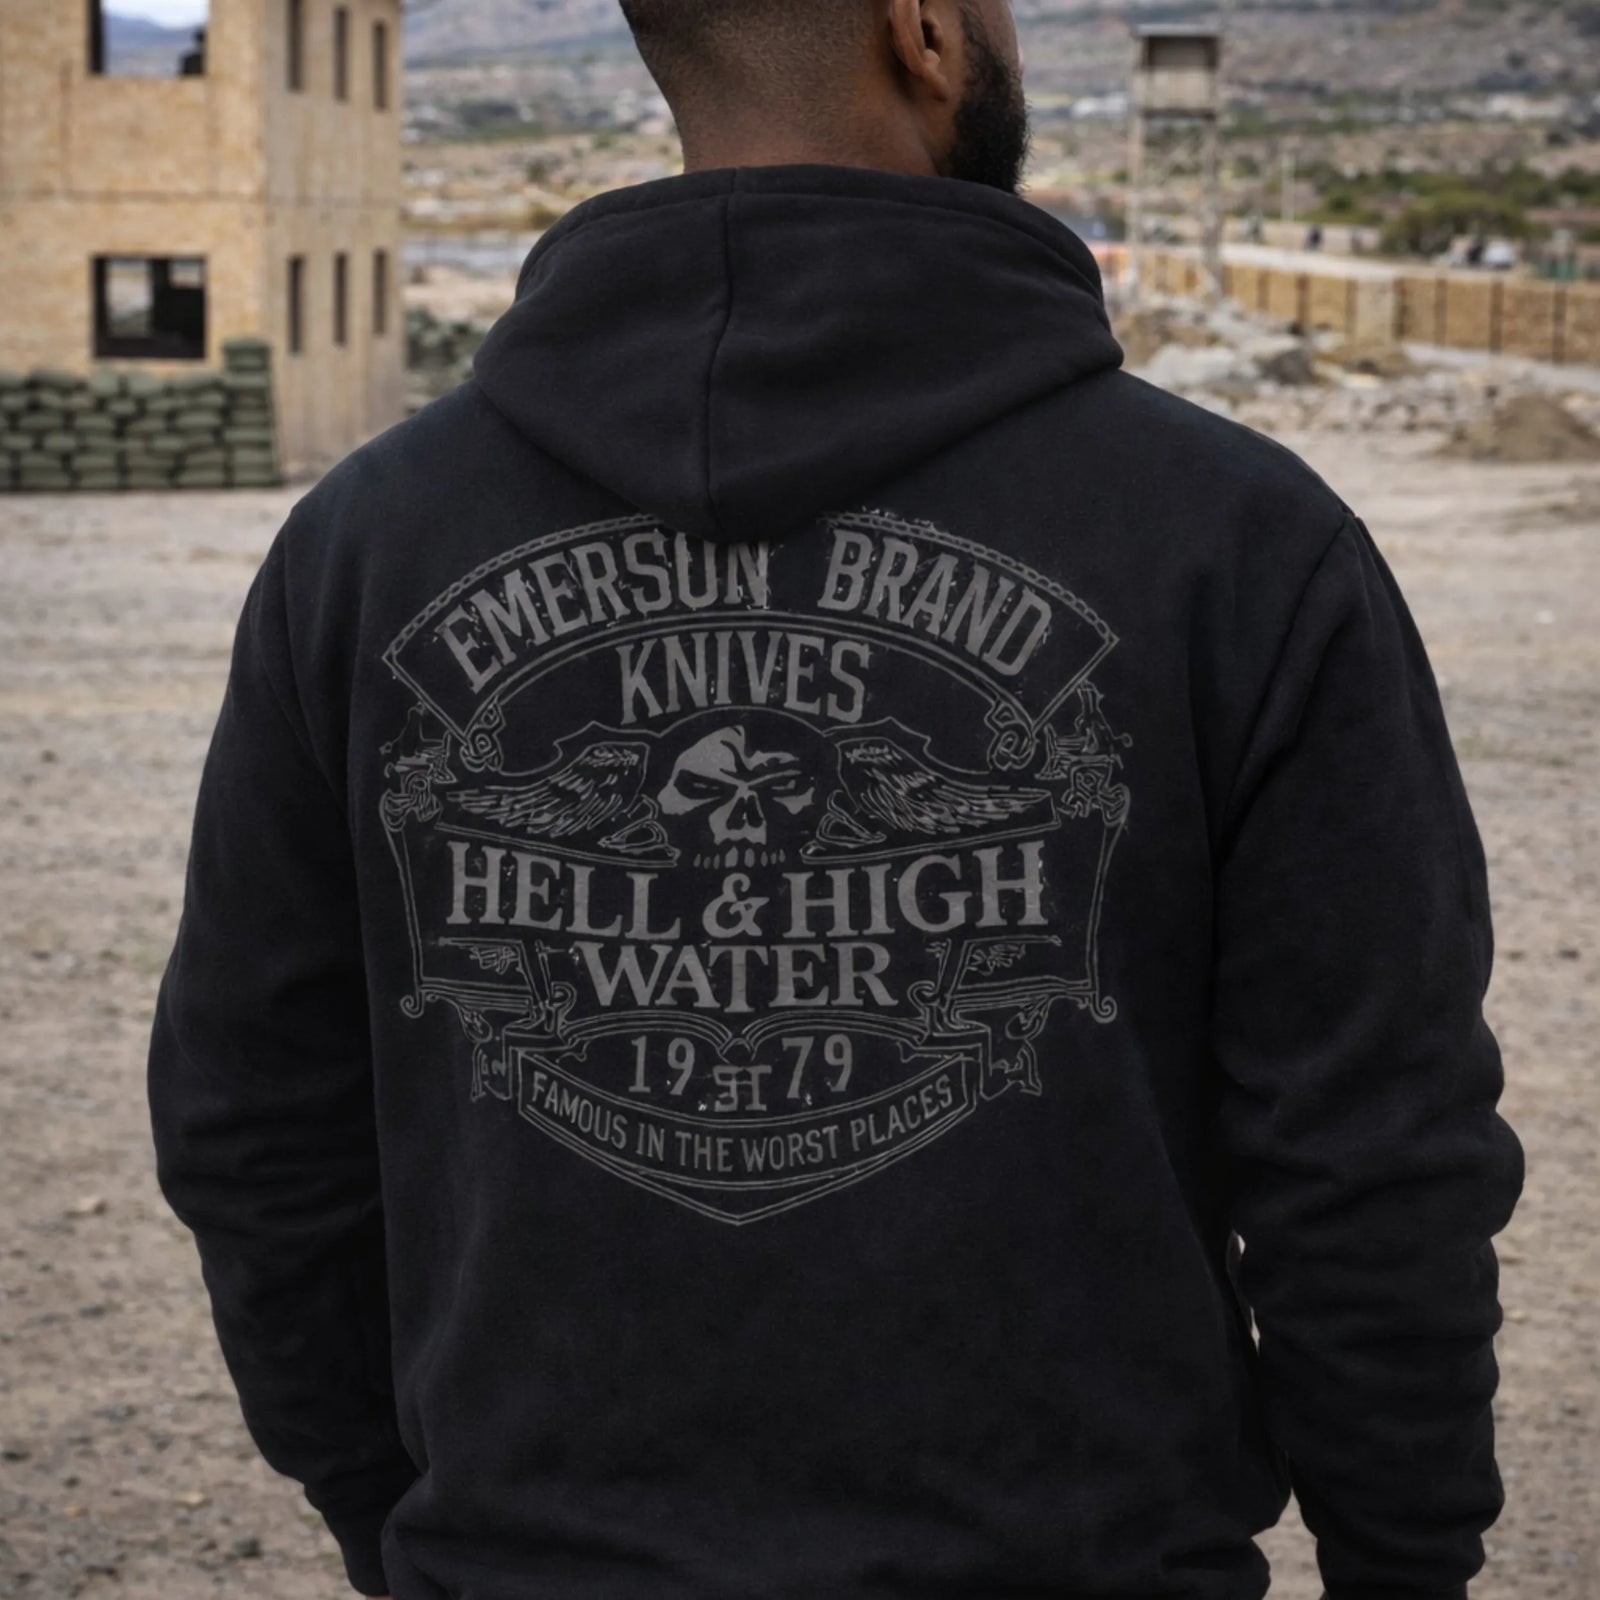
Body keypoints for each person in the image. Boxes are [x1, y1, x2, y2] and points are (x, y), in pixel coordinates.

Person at [146, 2, 1523, 1597]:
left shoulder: (362, 548)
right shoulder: (1244, 544)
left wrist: (408, 1521)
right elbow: (1374, 1153)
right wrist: (1405, 1560)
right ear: (923, 30)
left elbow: (254, 1125)